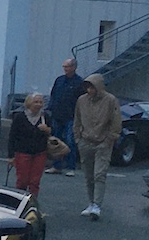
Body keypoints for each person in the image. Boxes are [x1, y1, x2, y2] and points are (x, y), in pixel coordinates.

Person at [74, 72, 120, 220]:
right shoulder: (81, 100)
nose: (89, 90)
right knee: (88, 175)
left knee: (99, 174)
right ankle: (91, 202)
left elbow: (116, 121)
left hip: (103, 143)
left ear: (99, 87)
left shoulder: (110, 100)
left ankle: (97, 205)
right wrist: (78, 138)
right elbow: (77, 120)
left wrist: (109, 139)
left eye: (92, 87)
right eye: (87, 87)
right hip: (85, 142)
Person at [7, 91, 52, 195]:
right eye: (36, 102)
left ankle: (33, 201)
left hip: (40, 152)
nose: (38, 105)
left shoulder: (45, 117)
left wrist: (47, 129)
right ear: (29, 103)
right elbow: (12, 136)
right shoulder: (19, 117)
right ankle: (19, 199)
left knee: (35, 181)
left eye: (40, 102)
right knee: (22, 180)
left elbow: (52, 132)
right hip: (22, 152)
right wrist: (10, 155)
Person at [48, 56, 85, 175]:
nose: (65, 69)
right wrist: (50, 108)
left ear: (74, 67)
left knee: (70, 141)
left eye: (67, 67)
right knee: (55, 141)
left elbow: (82, 101)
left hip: (71, 116)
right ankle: (56, 166)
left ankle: (71, 167)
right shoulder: (59, 80)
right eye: (64, 66)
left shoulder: (79, 82)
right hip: (57, 115)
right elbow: (53, 95)